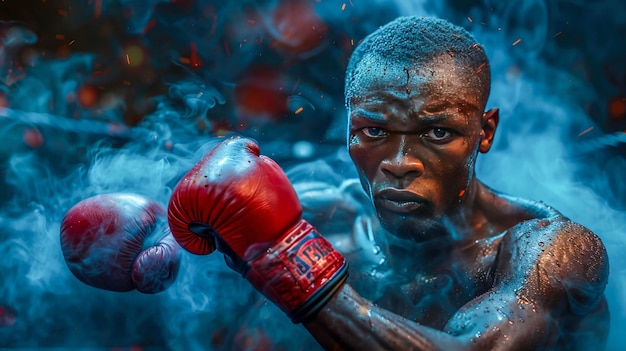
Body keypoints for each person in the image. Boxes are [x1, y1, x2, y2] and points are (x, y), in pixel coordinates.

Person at [77, 16, 608, 350]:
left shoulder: (550, 250)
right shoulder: (327, 214)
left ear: (483, 132)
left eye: (437, 132)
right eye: (374, 130)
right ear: (350, 130)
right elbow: (181, 257)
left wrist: (296, 268)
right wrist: (158, 249)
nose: (400, 161)